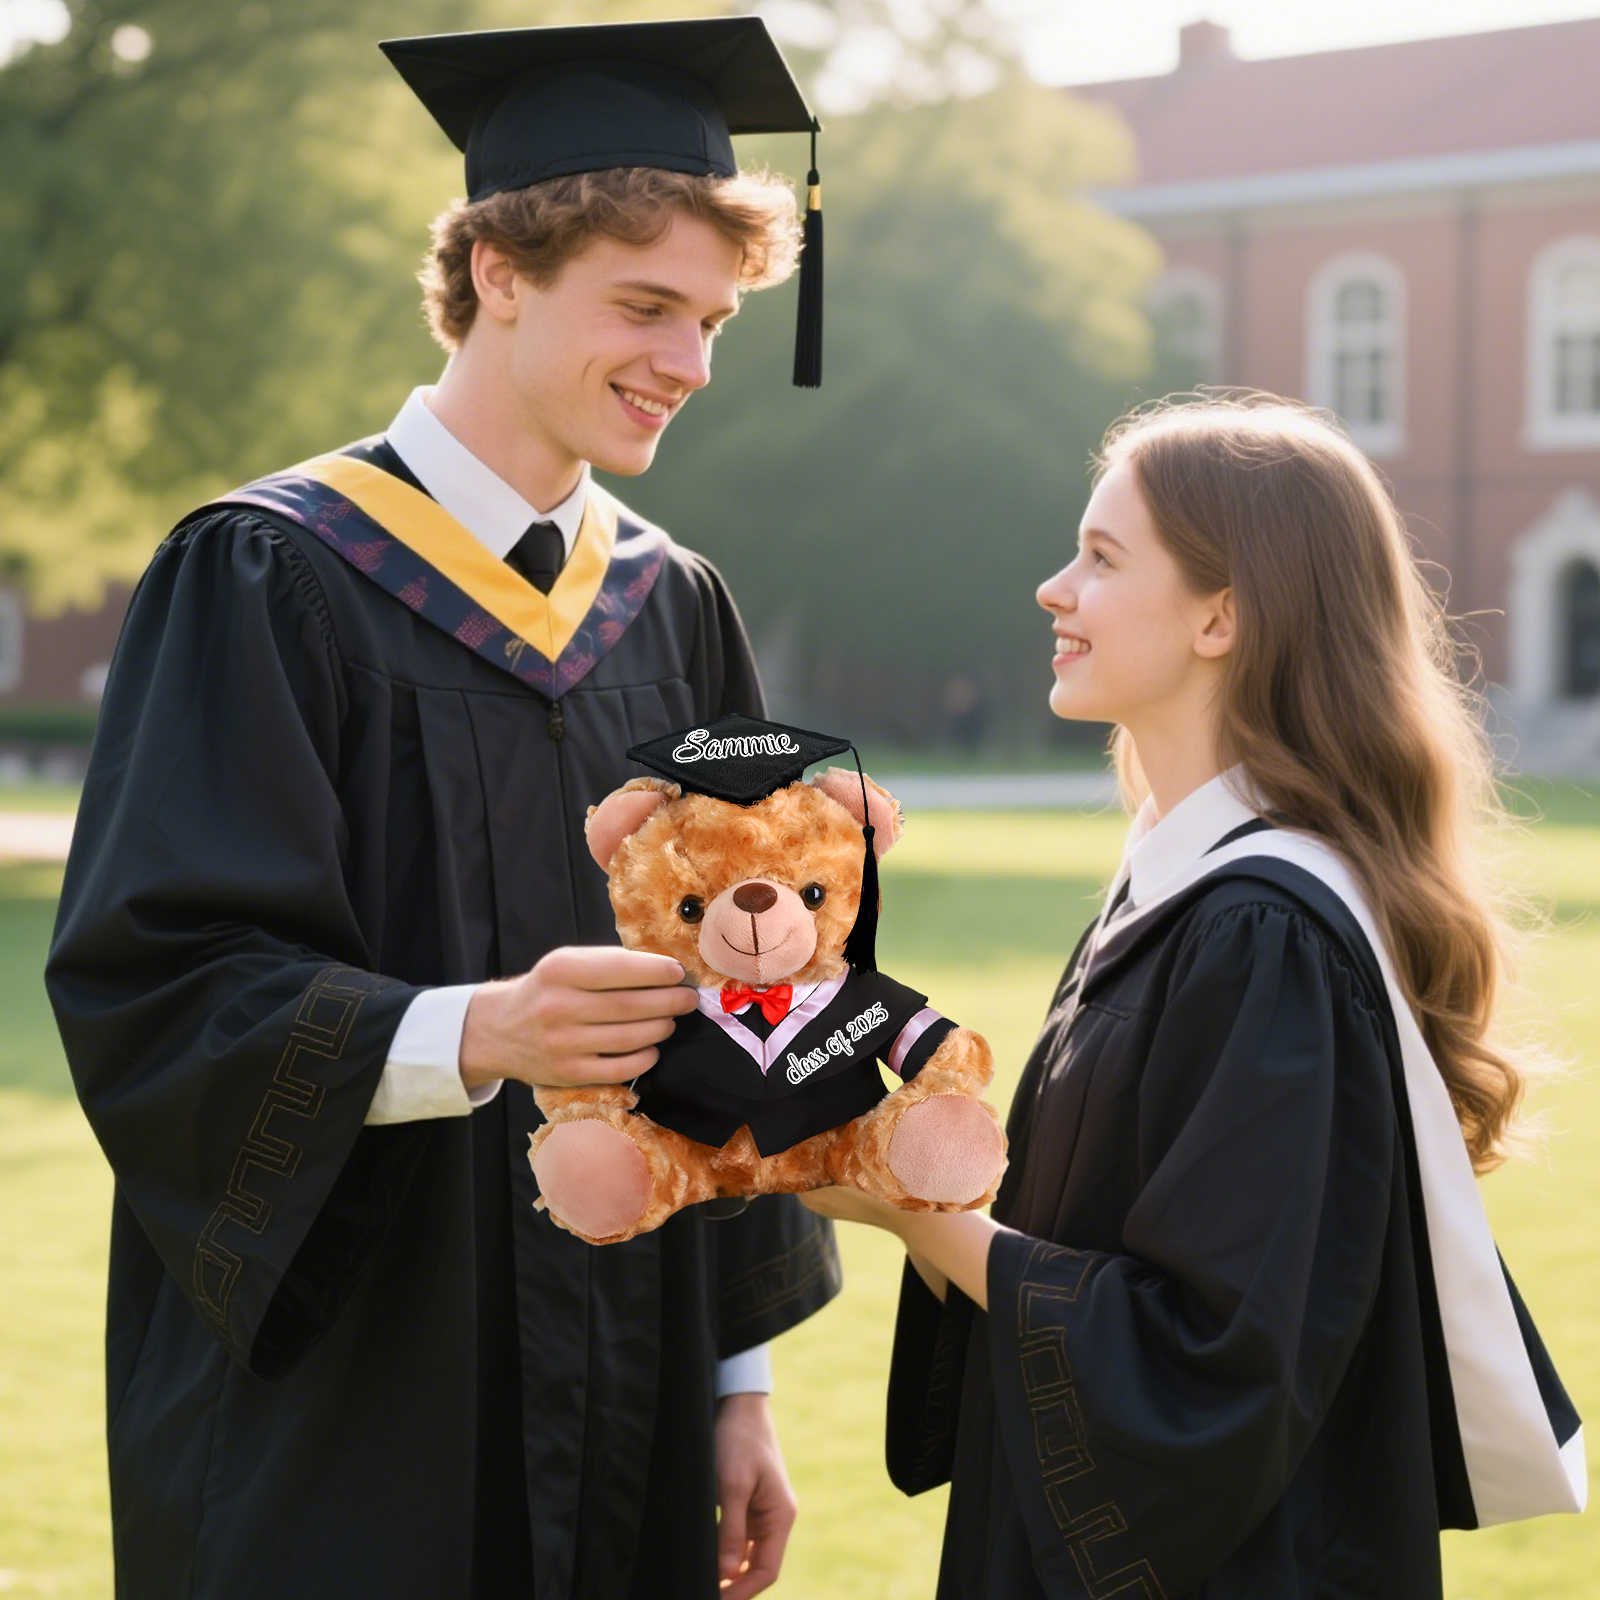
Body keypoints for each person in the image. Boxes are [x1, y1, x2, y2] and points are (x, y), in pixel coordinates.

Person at [45, 19, 840, 1600]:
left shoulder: (675, 609)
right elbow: (161, 985)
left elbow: (760, 1007)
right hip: (357, 1383)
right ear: (499, 274)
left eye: (715, 321)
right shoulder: (269, 574)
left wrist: (738, 1383)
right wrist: (479, 1034)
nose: (687, 362)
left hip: (634, 1373)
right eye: (645, 306)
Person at [802, 393, 1585, 1597]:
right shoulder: (1176, 890)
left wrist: (906, 1203)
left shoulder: (1261, 934)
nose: (1052, 590)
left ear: (1223, 613)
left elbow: (1214, 1365)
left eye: (1102, 559)